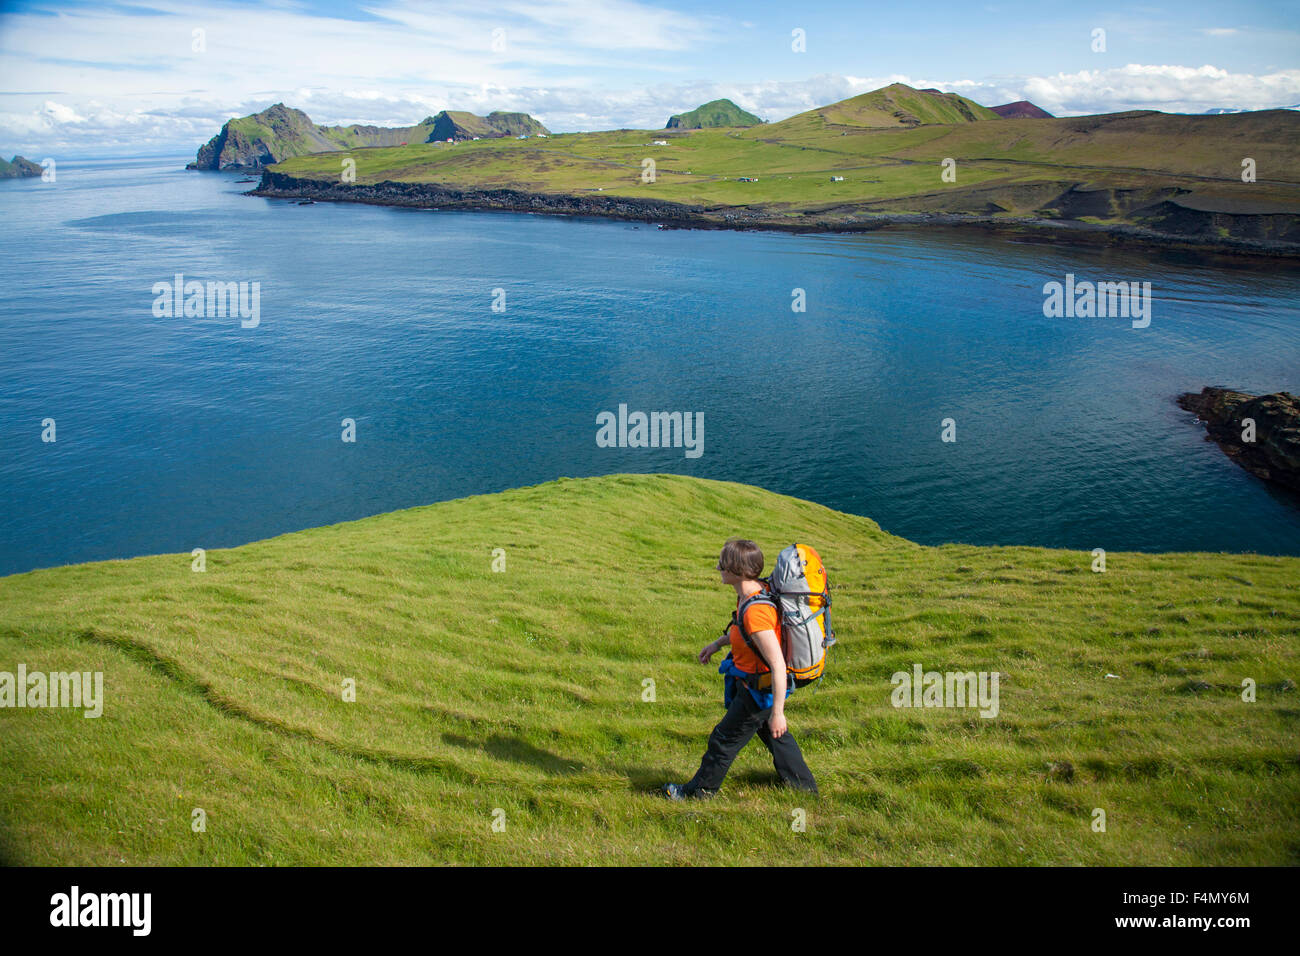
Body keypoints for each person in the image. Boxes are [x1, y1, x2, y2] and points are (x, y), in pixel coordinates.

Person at [662, 538, 818, 799]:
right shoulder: (754, 592)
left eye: (722, 564)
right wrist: (717, 644)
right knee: (776, 737)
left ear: (737, 570)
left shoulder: (755, 613)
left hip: (759, 692)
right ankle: (804, 788)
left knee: (723, 740)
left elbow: (778, 664)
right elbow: (741, 631)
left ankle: (698, 792)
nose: (718, 568)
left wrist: (778, 712)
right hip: (759, 687)